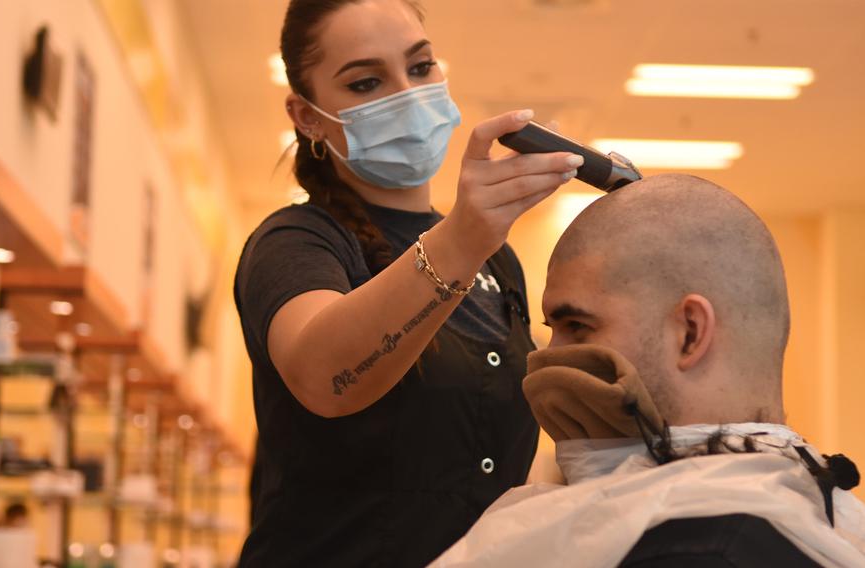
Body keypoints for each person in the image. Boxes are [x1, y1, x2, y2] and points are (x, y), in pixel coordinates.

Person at [233, 0, 583, 565]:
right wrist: (462, 241)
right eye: (367, 82)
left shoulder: (497, 264)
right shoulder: (296, 242)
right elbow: (326, 378)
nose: (406, 94)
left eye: (420, 68)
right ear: (308, 116)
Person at [432, 174, 865, 567]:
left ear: (690, 334)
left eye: (577, 326)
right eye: (552, 328)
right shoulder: (812, 513)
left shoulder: (697, 549)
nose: (549, 356)